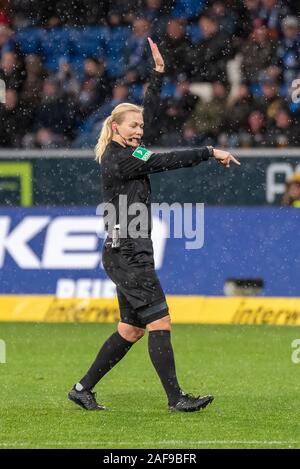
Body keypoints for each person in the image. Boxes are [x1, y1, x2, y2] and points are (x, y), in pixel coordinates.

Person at [68, 38, 240, 412]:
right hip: (127, 251)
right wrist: (210, 151)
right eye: (133, 126)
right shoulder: (121, 160)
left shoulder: (129, 152)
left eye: (140, 127)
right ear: (115, 128)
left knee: (131, 328)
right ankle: (176, 398)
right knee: (160, 320)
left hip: (127, 250)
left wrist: (158, 75)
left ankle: (82, 388)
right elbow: (167, 160)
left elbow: (154, 120)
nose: (140, 131)